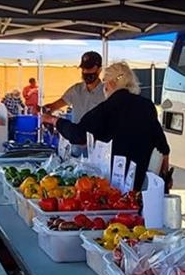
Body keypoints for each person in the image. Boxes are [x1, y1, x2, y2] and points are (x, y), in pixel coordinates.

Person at [55, 61, 170, 192]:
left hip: (111, 188)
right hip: (139, 184)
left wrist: (56, 121)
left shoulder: (107, 108)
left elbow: (79, 136)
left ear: (110, 84)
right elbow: (163, 146)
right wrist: (165, 175)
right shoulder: (147, 105)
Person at [42, 51, 105, 123]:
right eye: (83, 69)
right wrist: (41, 109)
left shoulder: (107, 92)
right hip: (77, 130)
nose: (85, 71)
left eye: (89, 68)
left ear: (99, 70)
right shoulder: (75, 90)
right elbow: (53, 106)